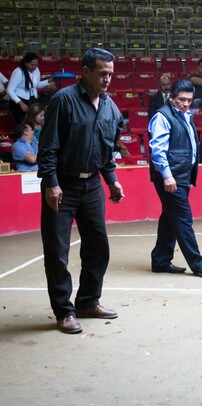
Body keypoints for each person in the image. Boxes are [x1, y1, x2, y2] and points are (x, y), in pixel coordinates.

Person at [37, 48, 125, 334]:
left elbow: (106, 150)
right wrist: (51, 183)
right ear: (85, 71)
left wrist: (111, 179)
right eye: (102, 73)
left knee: (98, 247)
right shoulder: (64, 100)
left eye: (110, 74)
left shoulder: (110, 107)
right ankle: (63, 311)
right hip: (62, 185)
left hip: (92, 186)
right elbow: (48, 147)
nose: (107, 79)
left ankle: (88, 301)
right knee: (58, 251)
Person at [148, 79, 202, 277]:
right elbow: (158, 151)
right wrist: (167, 176)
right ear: (171, 98)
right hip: (171, 177)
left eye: (189, 100)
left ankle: (161, 260)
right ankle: (197, 262)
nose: (186, 104)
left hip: (182, 174)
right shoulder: (162, 116)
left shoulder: (185, 115)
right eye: (181, 100)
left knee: (170, 217)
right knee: (183, 217)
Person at [7, 52, 53, 124]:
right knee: (23, 125)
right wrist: (21, 103)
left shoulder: (36, 70)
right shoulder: (18, 72)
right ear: (26, 63)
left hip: (32, 99)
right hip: (19, 101)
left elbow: (36, 85)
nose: (34, 67)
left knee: (33, 123)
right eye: (32, 65)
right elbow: (9, 90)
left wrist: (49, 80)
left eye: (36, 65)